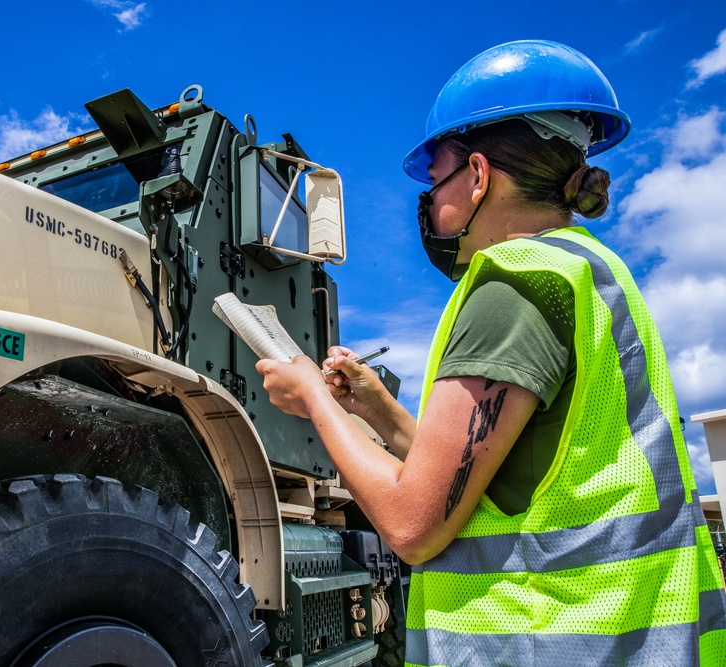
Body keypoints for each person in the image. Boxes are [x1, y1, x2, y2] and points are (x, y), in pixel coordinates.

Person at [256, 40, 726, 666]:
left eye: (436, 178)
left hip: (543, 640)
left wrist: (315, 399)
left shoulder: (512, 284)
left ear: (478, 176)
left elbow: (412, 526)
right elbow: (493, 476)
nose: (430, 201)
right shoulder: (582, 269)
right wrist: (376, 409)